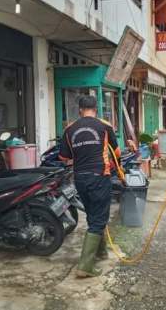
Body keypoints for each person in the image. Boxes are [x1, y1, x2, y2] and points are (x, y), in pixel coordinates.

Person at [59, 95, 121, 278]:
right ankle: (85, 266)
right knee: (98, 219)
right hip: (99, 176)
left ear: (80, 110)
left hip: (80, 179)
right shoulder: (104, 126)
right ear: (96, 109)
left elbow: (63, 157)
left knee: (94, 216)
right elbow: (116, 152)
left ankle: (100, 252)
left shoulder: (70, 129)